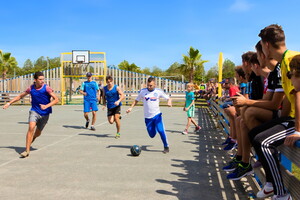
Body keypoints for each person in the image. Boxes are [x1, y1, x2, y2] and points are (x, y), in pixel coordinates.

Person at [249, 24, 300, 200]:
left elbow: (299, 93)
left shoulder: (291, 60)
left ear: (267, 45)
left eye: (261, 46)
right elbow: (288, 98)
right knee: (254, 134)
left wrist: (298, 129)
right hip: (292, 118)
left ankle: (281, 193)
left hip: (297, 121)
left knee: (262, 142)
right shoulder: (284, 61)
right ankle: (271, 183)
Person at [2, 71, 59, 158]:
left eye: (43, 79)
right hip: (34, 111)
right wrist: (9, 103)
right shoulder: (31, 88)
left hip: (45, 113)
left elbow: (56, 99)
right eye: (40, 79)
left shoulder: (46, 88)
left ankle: (33, 138)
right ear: (35, 80)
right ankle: (27, 150)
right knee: (31, 127)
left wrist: (46, 106)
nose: (42, 81)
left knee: (38, 133)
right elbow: (20, 96)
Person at [126, 77, 172, 153]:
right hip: (147, 118)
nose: (149, 87)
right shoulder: (143, 91)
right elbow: (136, 100)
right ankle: (155, 128)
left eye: (151, 85)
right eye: (148, 85)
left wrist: (169, 102)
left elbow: (168, 98)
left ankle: (166, 146)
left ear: (155, 85)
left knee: (161, 130)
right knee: (152, 135)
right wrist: (131, 108)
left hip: (157, 115)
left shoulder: (158, 91)